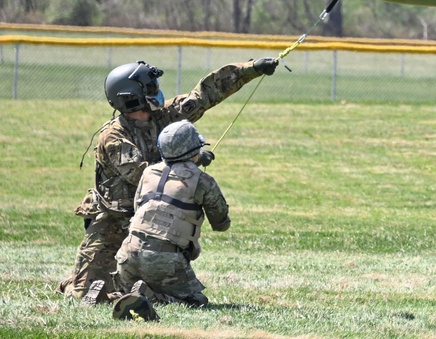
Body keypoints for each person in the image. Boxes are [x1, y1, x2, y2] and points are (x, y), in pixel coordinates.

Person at [57, 56, 279, 303]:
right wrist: (191, 159)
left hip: (154, 222)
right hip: (114, 220)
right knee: (83, 294)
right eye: (150, 89)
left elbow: (205, 94)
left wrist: (252, 69)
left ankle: (146, 293)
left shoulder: (163, 117)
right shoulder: (113, 137)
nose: (158, 93)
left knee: (157, 280)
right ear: (132, 98)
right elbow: (144, 174)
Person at [114, 120, 230, 308]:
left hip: (128, 254)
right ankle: (152, 297)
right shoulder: (203, 181)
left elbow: (138, 207)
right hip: (165, 259)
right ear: (194, 148)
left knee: (132, 287)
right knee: (196, 302)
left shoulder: (148, 172)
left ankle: (115, 293)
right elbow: (221, 223)